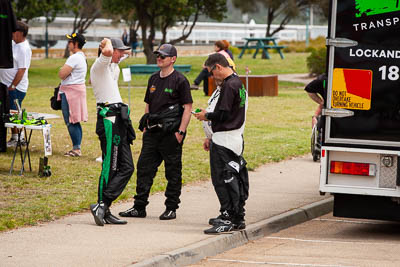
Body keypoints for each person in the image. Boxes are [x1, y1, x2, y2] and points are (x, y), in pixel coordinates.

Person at [119, 44, 193, 220]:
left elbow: (187, 107)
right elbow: (148, 104)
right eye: (158, 55)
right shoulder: (153, 79)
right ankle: (139, 207)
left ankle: (171, 208)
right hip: (152, 133)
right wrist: (145, 125)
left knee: (172, 172)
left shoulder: (180, 80)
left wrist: (180, 132)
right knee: (144, 169)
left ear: (173, 59)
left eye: (163, 56)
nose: (159, 58)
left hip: (171, 133)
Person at [194, 53, 249, 234]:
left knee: (222, 179)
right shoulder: (238, 83)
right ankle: (237, 216)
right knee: (232, 177)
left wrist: (206, 116)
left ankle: (227, 217)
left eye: (211, 72)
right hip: (233, 137)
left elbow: (224, 114)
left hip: (225, 139)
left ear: (218, 67)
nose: (211, 76)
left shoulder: (229, 86)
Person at [89, 38, 135, 227]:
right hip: (108, 118)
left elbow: (125, 53)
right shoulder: (99, 66)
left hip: (119, 117)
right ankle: (102, 205)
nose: (122, 55)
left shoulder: (114, 66)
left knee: (127, 167)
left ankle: (104, 205)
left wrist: (122, 50)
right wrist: (106, 42)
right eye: (119, 51)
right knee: (110, 165)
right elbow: (108, 53)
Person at [0, 20, 32, 148]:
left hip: (16, 88)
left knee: (13, 113)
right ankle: (14, 137)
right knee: (8, 112)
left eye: (13, 31)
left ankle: (19, 138)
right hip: (6, 85)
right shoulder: (14, 44)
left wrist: (13, 85)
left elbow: (22, 70)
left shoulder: (24, 49)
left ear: (19, 33)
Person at [58, 33, 88, 157]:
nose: (68, 43)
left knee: (71, 120)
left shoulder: (74, 58)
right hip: (76, 90)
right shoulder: (81, 57)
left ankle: (76, 149)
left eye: (70, 41)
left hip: (71, 92)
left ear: (75, 44)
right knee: (75, 120)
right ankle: (77, 147)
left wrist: (63, 69)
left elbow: (61, 74)